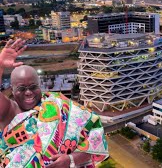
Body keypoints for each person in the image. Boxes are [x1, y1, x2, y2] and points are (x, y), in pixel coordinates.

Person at [0, 39, 108, 167]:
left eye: (33, 87)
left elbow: (96, 143)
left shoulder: (61, 106)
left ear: (40, 86)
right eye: (21, 89)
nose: (28, 92)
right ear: (12, 90)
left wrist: (70, 160)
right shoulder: (8, 111)